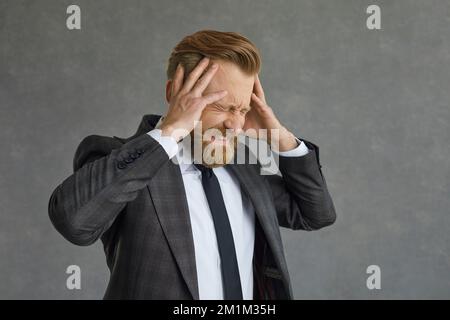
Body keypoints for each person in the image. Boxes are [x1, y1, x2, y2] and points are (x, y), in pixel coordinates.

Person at [48, 30, 336, 300]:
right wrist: (169, 132)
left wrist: (280, 136)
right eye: (221, 106)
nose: (235, 124)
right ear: (175, 93)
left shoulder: (246, 168)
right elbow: (75, 224)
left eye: (243, 109)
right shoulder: (115, 156)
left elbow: (315, 214)